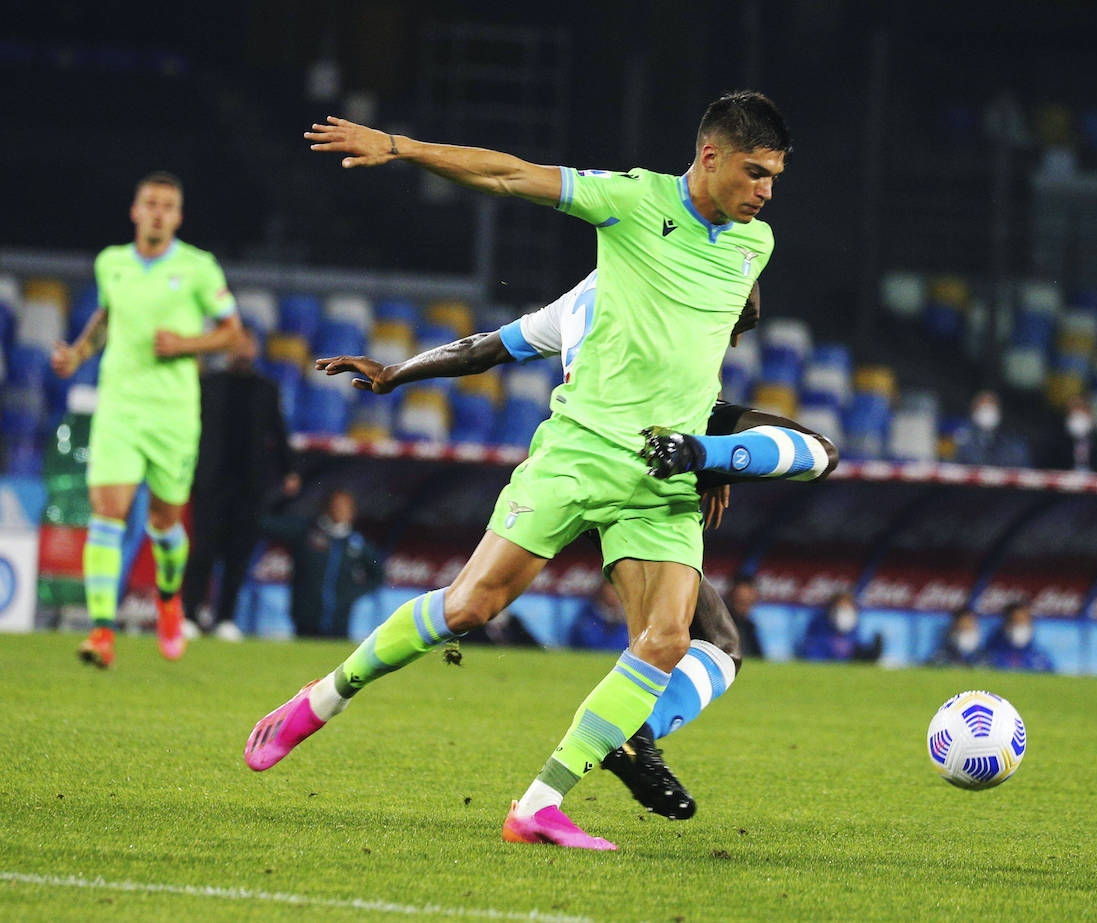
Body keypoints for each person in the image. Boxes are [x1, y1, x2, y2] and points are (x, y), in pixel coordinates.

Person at [246, 91, 794, 851]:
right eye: (756, 172)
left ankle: (540, 802)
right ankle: (323, 697)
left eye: (774, 177)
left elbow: (711, 333)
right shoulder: (629, 204)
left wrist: (711, 446)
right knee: (472, 607)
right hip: (580, 449)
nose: (766, 191)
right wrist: (399, 147)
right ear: (710, 156)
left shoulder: (752, 246)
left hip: (660, 472)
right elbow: (509, 176)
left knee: (668, 638)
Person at [308, 271, 836, 820]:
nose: (733, 342)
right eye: (734, 325)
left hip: (583, 465)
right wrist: (711, 454)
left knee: (676, 637)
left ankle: (598, 760)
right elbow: (655, 384)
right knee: (694, 640)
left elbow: (483, 348)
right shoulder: (679, 288)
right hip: (625, 468)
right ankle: (620, 745)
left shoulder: (599, 292)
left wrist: (396, 372)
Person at [51, 171, 242, 667]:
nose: (157, 212)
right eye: (150, 203)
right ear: (135, 211)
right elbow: (108, 316)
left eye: (167, 205)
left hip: (174, 413)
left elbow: (232, 334)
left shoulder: (199, 268)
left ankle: (169, 597)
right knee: (106, 510)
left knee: (164, 522)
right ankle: (101, 632)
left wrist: (186, 344)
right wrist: (78, 353)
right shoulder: (110, 263)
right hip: (117, 405)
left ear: (177, 216)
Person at [182, 329, 300, 641]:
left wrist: (290, 470)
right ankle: (190, 615)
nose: (242, 351)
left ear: (256, 349)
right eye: (236, 345)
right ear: (226, 350)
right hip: (210, 481)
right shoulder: (207, 385)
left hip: (250, 485)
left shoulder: (266, 389)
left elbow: (279, 431)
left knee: (238, 555)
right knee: (202, 551)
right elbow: (186, 431)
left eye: (247, 345)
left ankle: (225, 619)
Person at [259, 488, 383, 638]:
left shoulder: (356, 543)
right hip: (305, 617)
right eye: (337, 506)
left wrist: (351, 594)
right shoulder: (308, 532)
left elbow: (378, 575)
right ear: (327, 507)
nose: (341, 511)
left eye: (345, 507)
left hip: (340, 621)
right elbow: (265, 525)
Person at [797, 591, 883, 663]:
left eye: (847, 606)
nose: (844, 610)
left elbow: (856, 645)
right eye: (841, 606)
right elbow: (811, 650)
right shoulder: (820, 622)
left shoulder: (853, 625)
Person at [955, 390, 1031, 468]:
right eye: (983, 408)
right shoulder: (961, 440)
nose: (987, 413)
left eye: (992, 407)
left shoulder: (1011, 444)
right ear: (973, 411)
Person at [985, 601, 1054, 672]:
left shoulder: (1041, 660)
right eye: (1016, 621)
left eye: (1024, 621)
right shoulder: (989, 657)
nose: (1020, 626)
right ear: (1005, 624)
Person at [568, 582, 630, 651]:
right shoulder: (587, 617)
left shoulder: (628, 618)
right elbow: (592, 644)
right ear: (602, 591)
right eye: (613, 589)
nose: (617, 594)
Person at [726, 574, 762, 659]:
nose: (744, 606)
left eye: (748, 602)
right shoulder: (721, 624)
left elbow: (758, 658)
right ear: (731, 597)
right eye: (740, 602)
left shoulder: (749, 626)